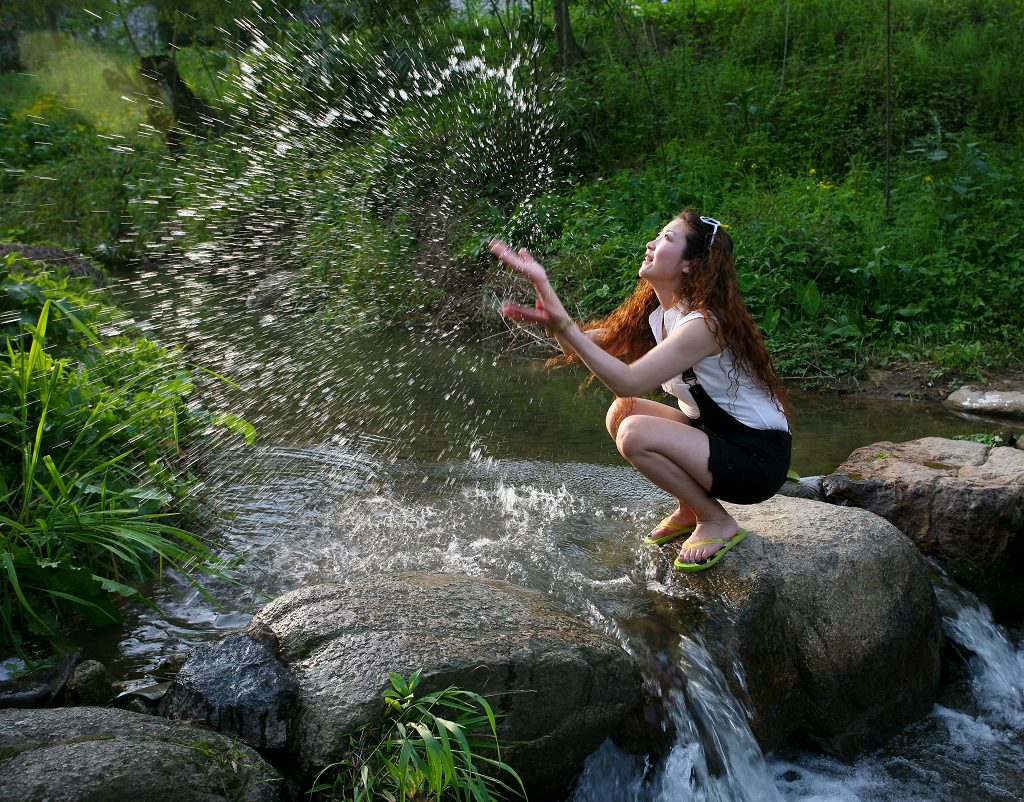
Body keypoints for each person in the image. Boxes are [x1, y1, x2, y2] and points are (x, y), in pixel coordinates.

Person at [491, 209, 791, 572]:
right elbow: (576, 345)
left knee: (635, 432)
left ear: (691, 264)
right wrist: (543, 284)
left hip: (756, 460)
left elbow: (627, 379)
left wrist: (563, 325)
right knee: (624, 411)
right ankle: (690, 505)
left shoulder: (704, 324)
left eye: (666, 238)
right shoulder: (661, 315)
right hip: (716, 440)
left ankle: (715, 520)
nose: (651, 243)